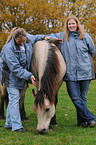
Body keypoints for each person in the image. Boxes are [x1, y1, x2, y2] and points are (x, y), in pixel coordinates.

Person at [46, 15, 96, 127]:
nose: (71, 26)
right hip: (70, 74)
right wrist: (47, 38)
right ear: (67, 26)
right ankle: (91, 118)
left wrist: (84, 63)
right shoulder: (62, 37)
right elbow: (50, 36)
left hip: (85, 72)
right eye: (69, 24)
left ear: (77, 24)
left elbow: (92, 51)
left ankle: (82, 122)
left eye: (73, 23)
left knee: (82, 98)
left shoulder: (86, 37)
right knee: (75, 98)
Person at [0, 27, 45, 132]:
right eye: (20, 42)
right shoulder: (8, 49)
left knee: (14, 99)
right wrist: (29, 76)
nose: (22, 43)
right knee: (15, 99)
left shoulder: (27, 40)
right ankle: (16, 126)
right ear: (14, 38)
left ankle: (9, 123)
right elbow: (15, 68)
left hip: (20, 77)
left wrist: (46, 37)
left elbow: (36, 37)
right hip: (10, 77)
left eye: (24, 41)